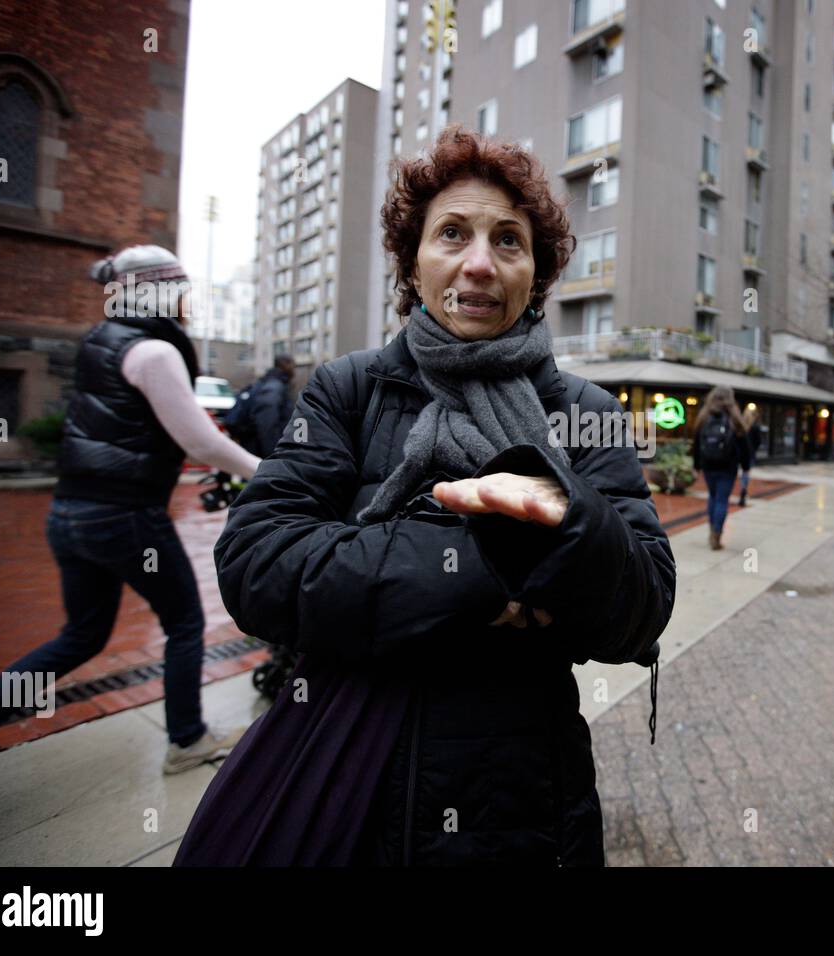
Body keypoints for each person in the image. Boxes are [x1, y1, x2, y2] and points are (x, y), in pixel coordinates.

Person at [173, 126, 676, 867]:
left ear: (534, 272)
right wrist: (480, 571)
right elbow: (256, 562)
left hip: (525, 800)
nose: (479, 262)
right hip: (357, 778)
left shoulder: (587, 409)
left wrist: (568, 516)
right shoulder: (351, 389)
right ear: (414, 259)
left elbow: (642, 607)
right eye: (452, 234)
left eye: (509, 240)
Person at [0, 246, 258, 824]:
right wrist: (270, 470)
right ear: (159, 291)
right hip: (126, 518)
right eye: (181, 287)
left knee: (80, 638)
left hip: (70, 513)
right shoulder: (154, 350)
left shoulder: (101, 338)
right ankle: (188, 738)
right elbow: (202, 443)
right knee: (186, 623)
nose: (188, 300)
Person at [691, 385, 752, 551]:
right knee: (722, 499)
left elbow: (696, 443)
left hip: (708, 465)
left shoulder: (704, 415)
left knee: (713, 496)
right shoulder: (734, 417)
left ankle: (712, 530)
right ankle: (716, 535)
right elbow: (745, 445)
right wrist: (746, 466)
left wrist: (696, 465)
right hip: (728, 466)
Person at [225, 355, 295, 459]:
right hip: (260, 451)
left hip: (252, 448)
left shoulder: (264, 383)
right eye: (293, 366)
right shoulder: (274, 387)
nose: (294, 371)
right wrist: (274, 456)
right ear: (286, 365)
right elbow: (267, 423)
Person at [737, 406, 764, 507]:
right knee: (746, 472)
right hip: (749, 453)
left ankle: (742, 489)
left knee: (739, 472)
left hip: (739, 453)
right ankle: (744, 489)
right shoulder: (755, 427)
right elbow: (758, 441)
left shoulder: (740, 425)